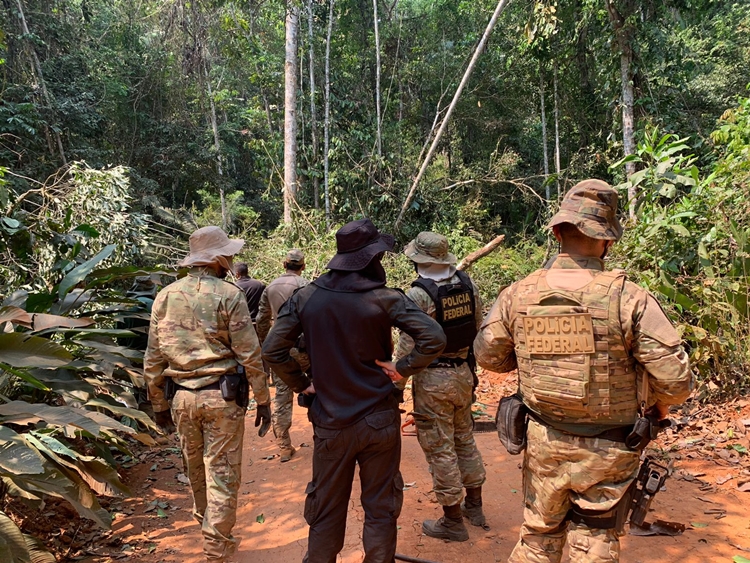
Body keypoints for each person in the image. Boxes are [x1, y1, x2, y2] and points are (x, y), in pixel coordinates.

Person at [474, 179, 693, 563]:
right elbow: (675, 382)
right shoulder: (629, 299)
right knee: (594, 542)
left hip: (544, 441)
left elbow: (490, 356)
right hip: (609, 449)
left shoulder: (518, 294)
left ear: (558, 231)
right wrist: (660, 406)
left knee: (537, 537)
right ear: (608, 240)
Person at [262, 218, 446, 563]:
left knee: (326, 507)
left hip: (331, 420)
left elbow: (272, 350)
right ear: (371, 258)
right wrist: (402, 369)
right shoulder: (386, 298)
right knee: (380, 507)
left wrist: (303, 384)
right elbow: (433, 338)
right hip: (379, 419)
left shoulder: (307, 297)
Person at [144, 226, 272, 563]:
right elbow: (249, 352)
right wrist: (263, 398)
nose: (232, 257)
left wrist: (158, 402)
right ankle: (216, 549)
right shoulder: (229, 295)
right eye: (228, 252)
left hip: (181, 399)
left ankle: (207, 525)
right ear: (217, 258)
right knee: (223, 473)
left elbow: (153, 356)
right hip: (222, 398)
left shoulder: (165, 296)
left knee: (195, 468)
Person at [394, 231, 486, 542]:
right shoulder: (467, 283)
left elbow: (407, 347)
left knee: (440, 449)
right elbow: (477, 325)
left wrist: (397, 385)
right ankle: (475, 506)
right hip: (462, 373)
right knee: (465, 439)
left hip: (433, 378)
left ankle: (453, 521)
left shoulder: (419, 295)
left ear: (418, 258)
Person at [256, 249, 310, 461]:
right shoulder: (307, 285)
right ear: (302, 266)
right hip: (306, 348)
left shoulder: (270, 287)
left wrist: (265, 342)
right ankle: (322, 433)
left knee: (282, 394)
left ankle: (285, 446)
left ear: (283, 264)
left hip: (281, 348)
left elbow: (262, 318)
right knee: (317, 388)